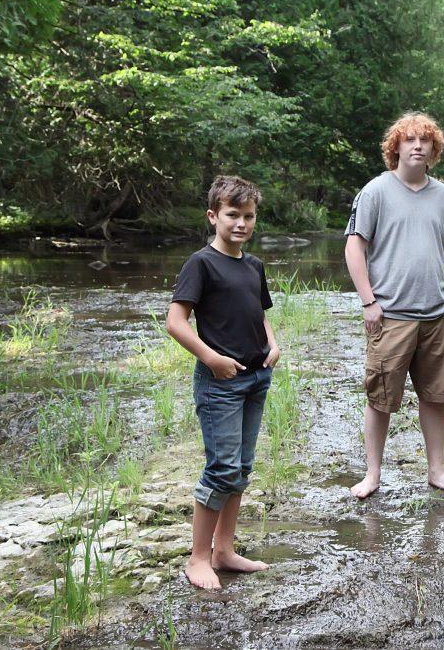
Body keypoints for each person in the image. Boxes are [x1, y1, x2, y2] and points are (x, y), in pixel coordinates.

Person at [344, 111, 444, 499]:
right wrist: (369, 301)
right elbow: (354, 246)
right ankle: (372, 475)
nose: (418, 146)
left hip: (438, 314)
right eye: (410, 140)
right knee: (380, 398)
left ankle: (437, 471)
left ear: (434, 149)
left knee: (436, 396)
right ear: (395, 147)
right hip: (391, 315)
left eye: (425, 141)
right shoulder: (375, 191)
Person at [166, 175, 280, 589]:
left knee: (242, 468)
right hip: (220, 383)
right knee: (221, 468)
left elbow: (259, 311)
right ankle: (198, 559)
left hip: (256, 377)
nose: (241, 224)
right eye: (232, 215)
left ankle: (225, 550)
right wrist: (212, 359)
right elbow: (175, 323)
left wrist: (273, 343)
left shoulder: (253, 265)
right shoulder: (201, 263)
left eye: (248, 216)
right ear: (213, 216)